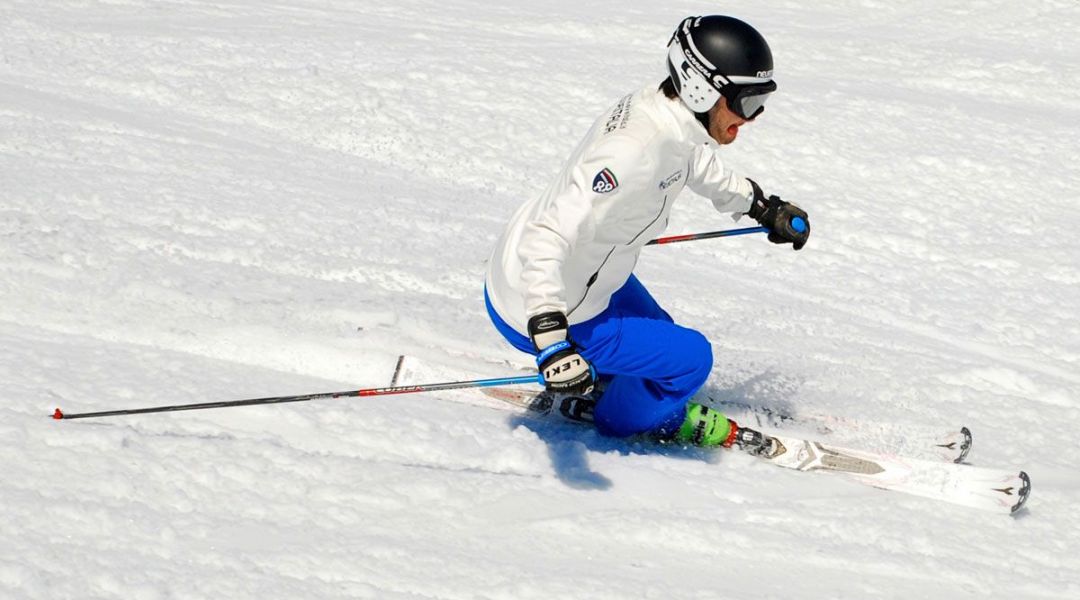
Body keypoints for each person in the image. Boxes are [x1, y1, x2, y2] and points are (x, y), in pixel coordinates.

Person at [484, 15, 810, 452]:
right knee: (691, 360)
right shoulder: (628, 156)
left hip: (576, 277)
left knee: (661, 335)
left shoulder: (665, 116)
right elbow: (547, 234)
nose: (751, 118)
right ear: (702, 88)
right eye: (747, 102)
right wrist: (551, 339)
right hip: (543, 302)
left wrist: (757, 205)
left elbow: (691, 160)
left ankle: (613, 382)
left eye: (761, 101)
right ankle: (620, 419)